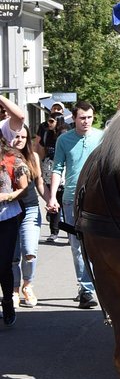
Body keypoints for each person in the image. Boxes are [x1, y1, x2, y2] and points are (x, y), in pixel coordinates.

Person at [47, 101, 104, 309]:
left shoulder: (102, 137)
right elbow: (57, 169)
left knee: (100, 244)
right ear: (74, 118)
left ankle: (103, 284)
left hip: (99, 198)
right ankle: (86, 290)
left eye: (89, 117)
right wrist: (52, 197)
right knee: (78, 247)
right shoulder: (64, 140)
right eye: (82, 118)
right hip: (72, 199)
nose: (86, 121)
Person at [11, 125, 47, 308]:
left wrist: (50, 200)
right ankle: (14, 290)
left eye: (23, 137)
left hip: (31, 209)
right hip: (9, 211)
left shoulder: (32, 157)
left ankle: (28, 285)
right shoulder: (4, 159)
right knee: (13, 256)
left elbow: (39, 182)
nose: (19, 140)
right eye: (16, 136)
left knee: (30, 252)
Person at [0, 139, 29, 327]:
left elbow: (25, 190)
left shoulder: (13, 159)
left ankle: (8, 301)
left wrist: (7, 196)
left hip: (6, 217)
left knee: (3, 265)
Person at [35, 111, 69, 242]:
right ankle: (53, 232)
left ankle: (69, 232)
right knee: (52, 201)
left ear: (58, 121)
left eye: (51, 121)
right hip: (48, 169)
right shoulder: (47, 134)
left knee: (64, 202)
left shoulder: (64, 135)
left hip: (62, 171)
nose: (48, 124)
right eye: (48, 121)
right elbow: (42, 150)